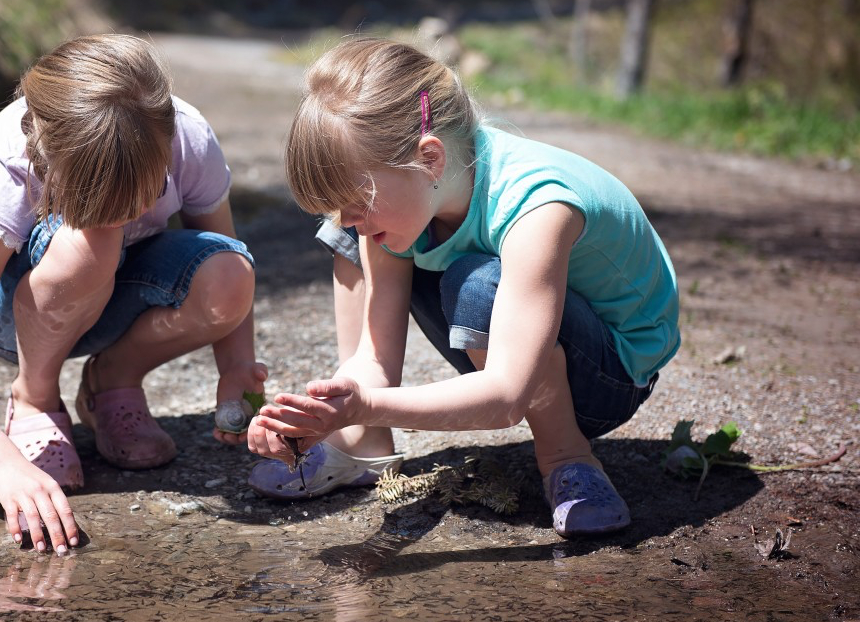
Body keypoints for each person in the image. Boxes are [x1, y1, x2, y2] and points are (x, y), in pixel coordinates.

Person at [246, 37, 679, 538]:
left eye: (357, 200)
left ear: (429, 159)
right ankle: (364, 445)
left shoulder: (537, 206)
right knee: (363, 240)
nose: (349, 219)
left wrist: (367, 403)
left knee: (476, 285)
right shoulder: (412, 197)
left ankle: (567, 457)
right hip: (520, 340)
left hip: (609, 375)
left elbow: (505, 398)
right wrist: (316, 414)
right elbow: (375, 360)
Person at [0, 34, 265, 555]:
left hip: (114, 296)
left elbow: (223, 247)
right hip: (12, 311)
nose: (126, 215)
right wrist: (4, 463)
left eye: (139, 198)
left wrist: (237, 366)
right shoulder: (7, 158)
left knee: (231, 273)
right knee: (92, 243)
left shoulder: (185, 133)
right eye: (106, 203)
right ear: (46, 162)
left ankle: (111, 381)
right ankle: (35, 397)